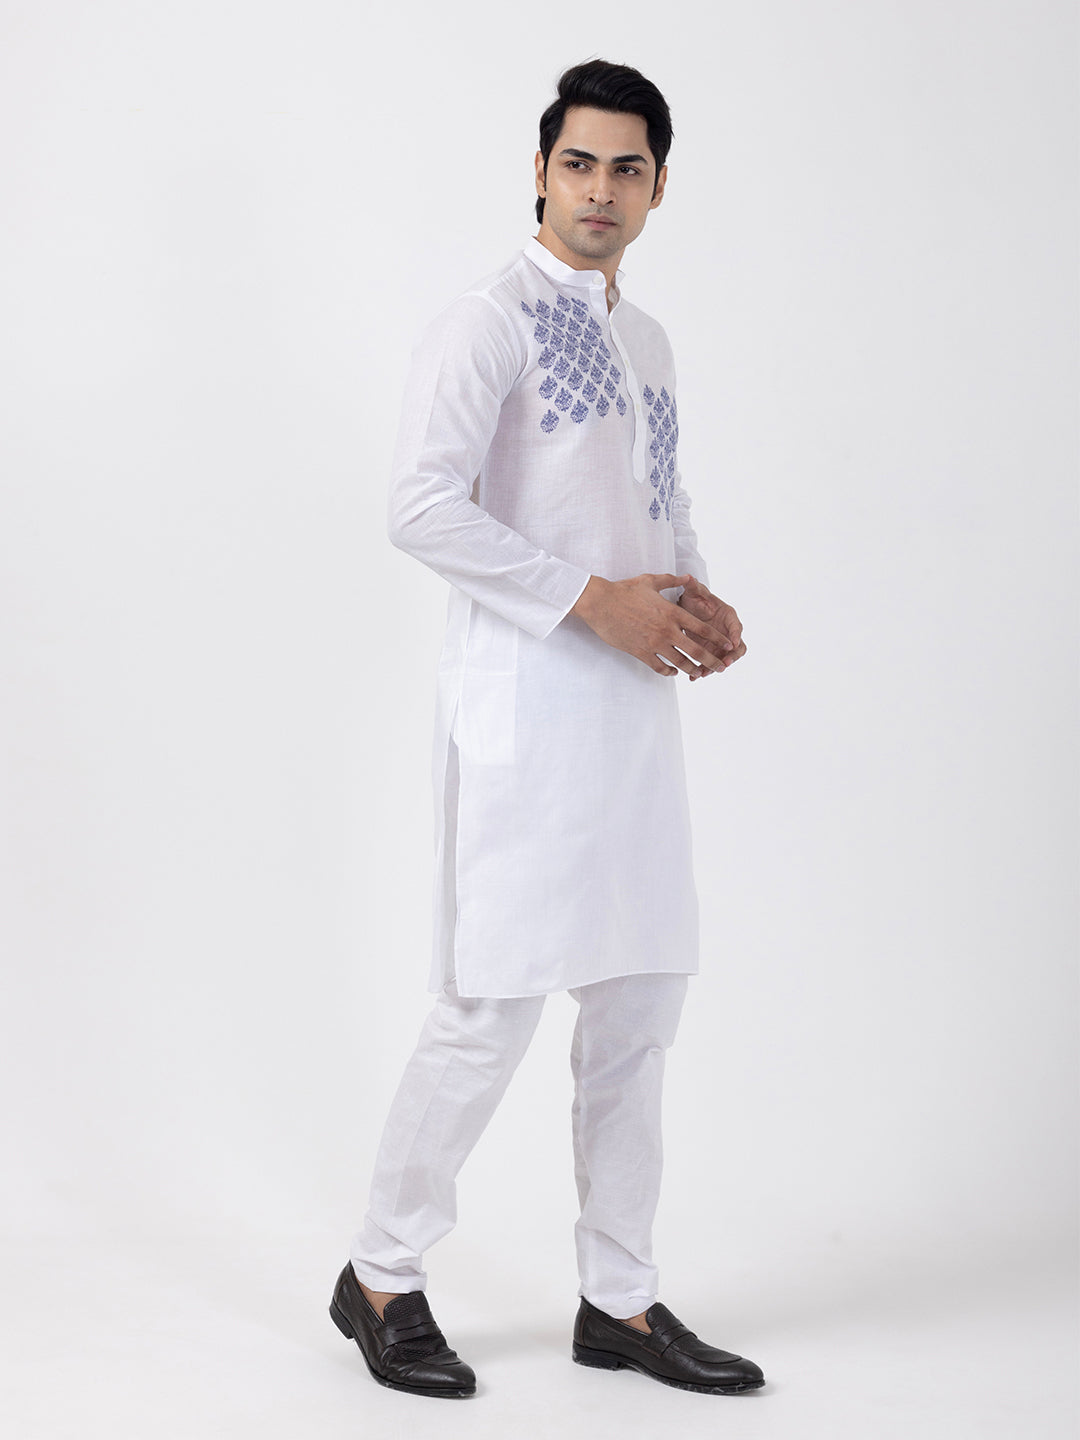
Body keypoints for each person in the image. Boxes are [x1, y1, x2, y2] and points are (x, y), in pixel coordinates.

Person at [329, 58, 763, 1400]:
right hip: (524, 712)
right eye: (579, 163)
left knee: (640, 1006)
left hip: (633, 719)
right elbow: (420, 506)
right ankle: (380, 1274)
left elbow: (658, 499)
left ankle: (618, 1300)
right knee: (489, 1009)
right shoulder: (488, 323)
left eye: (627, 168)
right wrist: (592, 601)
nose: (599, 190)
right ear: (539, 171)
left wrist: (694, 597)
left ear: (659, 188)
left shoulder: (651, 340)